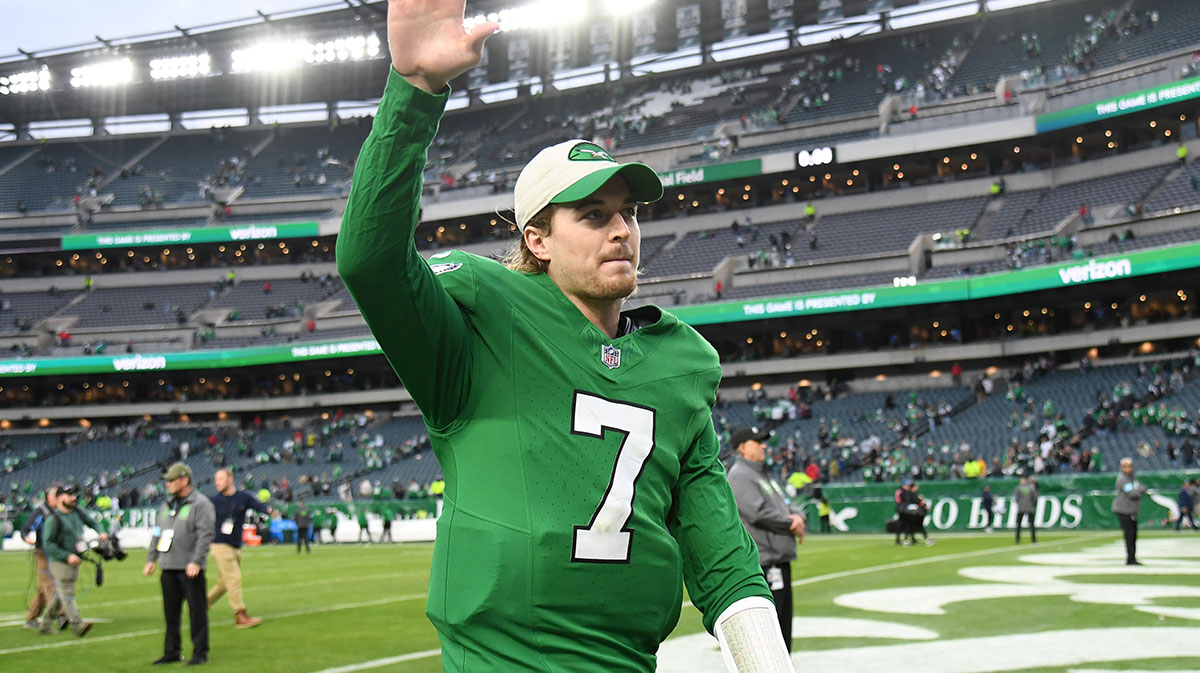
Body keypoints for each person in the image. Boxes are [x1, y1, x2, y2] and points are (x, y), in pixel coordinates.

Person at [335, 2, 790, 670]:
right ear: (537, 239)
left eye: (629, 213)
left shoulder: (680, 362)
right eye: (594, 214)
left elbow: (723, 558)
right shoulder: (482, 322)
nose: (622, 230)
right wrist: (415, 91)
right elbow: (371, 262)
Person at [726, 427, 806, 652]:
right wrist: (790, 523)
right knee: (772, 630)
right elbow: (757, 512)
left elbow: (787, 503)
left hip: (778, 559)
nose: (764, 445)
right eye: (757, 441)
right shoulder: (740, 475)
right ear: (742, 447)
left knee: (782, 626)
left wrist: (798, 516)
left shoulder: (763, 474)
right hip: (765, 562)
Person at [144, 463, 216, 666]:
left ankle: (200, 653)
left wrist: (196, 561)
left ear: (184, 481)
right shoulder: (166, 506)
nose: (167, 484)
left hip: (190, 569)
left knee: (197, 612)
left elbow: (205, 535)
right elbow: (157, 533)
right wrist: (152, 558)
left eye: (171, 480)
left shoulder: (201, 504)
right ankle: (172, 651)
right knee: (171, 614)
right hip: (168, 567)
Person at [207, 467, 274, 629]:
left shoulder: (243, 497)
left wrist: (270, 510)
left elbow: (259, 506)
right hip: (219, 544)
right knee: (234, 578)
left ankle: (202, 603)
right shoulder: (213, 501)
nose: (217, 482)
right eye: (216, 480)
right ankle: (240, 614)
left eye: (220, 479)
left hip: (236, 546)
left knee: (225, 582)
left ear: (230, 479)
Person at [38, 483, 107, 637]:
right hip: (60, 561)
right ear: (60, 497)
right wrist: (66, 556)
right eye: (69, 495)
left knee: (60, 595)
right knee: (67, 592)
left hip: (75, 558)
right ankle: (78, 624)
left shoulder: (76, 512)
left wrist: (102, 532)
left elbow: (93, 522)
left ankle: (44, 625)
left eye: (75, 495)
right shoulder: (53, 518)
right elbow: (48, 544)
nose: (73, 498)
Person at [20, 483, 62, 630]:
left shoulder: (62, 511)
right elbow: (25, 529)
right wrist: (27, 538)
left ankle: (31, 618)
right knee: (50, 583)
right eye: (57, 495)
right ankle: (61, 613)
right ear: (50, 497)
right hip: (42, 553)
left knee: (43, 587)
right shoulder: (41, 511)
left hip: (57, 552)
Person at [1113, 457, 1146, 565]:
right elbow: (1132, 493)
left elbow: (1140, 487)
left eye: (1130, 466)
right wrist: (1140, 490)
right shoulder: (1123, 478)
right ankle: (1130, 558)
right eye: (1126, 466)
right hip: (1124, 510)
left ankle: (1132, 557)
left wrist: (1139, 490)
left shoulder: (1132, 477)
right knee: (1129, 534)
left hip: (1131, 510)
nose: (1128, 468)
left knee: (1133, 534)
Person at [1014, 475, 1038, 544]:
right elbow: (1035, 498)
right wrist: (1032, 504)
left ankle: (1017, 539)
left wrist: (1019, 504)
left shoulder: (1018, 488)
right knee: (1031, 525)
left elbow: (1016, 498)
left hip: (1021, 508)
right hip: (1029, 508)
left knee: (1019, 524)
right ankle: (1033, 540)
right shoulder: (1031, 488)